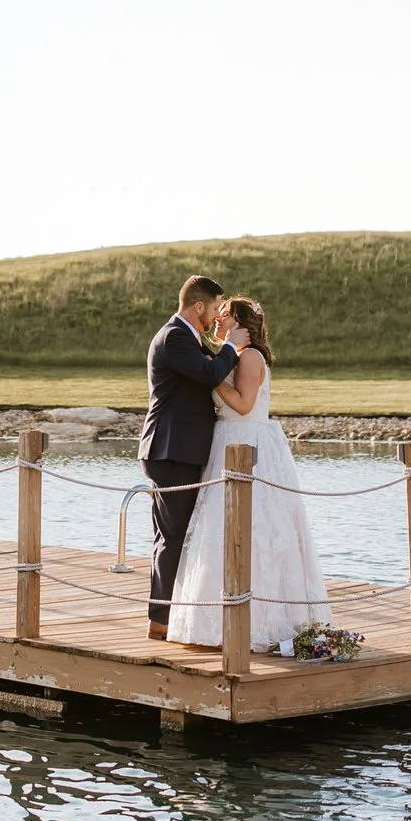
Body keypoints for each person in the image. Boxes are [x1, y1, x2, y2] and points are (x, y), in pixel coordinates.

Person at [165, 296, 331, 652]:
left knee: (255, 528)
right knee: (220, 530)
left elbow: (243, 404)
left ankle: (259, 620)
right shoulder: (237, 356)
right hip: (228, 441)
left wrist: (212, 379)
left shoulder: (250, 356)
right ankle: (216, 617)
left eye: (225, 317)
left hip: (246, 443)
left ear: (241, 324)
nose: (219, 322)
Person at [138, 275, 249, 640]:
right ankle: (161, 620)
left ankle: (169, 613)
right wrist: (232, 345)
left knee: (174, 535)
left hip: (179, 448)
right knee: (172, 537)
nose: (216, 314)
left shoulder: (186, 336)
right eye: (215, 307)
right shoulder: (175, 337)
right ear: (198, 306)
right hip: (171, 449)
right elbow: (209, 374)